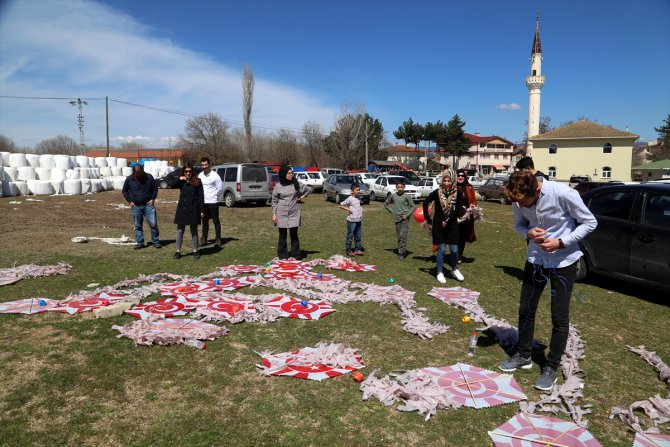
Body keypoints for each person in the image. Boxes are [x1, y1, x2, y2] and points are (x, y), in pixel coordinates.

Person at [498, 171, 597, 391]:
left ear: (537, 190)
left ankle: (551, 366)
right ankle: (523, 354)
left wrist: (561, 242)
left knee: (559, 317)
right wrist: (528, 233)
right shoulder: (518, 199)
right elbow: (519, 225)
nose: (521, 206)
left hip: (564, 263)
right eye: (518, 203)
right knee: (526, 309)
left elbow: (589, 222)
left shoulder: (563, 194)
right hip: (536, 260)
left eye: (524, 202)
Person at [422, 169, 465, 283]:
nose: (446, 183)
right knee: (441, 250)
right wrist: (427, 217)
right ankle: (439, 272)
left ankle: (454, 269)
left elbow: (458, 210)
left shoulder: (458, 193)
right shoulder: (437, 192)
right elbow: (425, 202)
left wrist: (448, 219)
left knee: (454, 250)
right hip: (439, 226)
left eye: (449, 181)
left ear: (453, 181)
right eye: (445, 180)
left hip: (452, 226)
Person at [271, 165, 311, 259]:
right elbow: (274, 201)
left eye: (291, 173)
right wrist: (274, 214)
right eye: (288, 173)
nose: (291, 175)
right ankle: (283, 256)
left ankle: (296, 255)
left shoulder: (296, 184)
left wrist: (302, 196)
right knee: (282, 236)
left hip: (294, 213)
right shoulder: (278, 186)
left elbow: (309, 189)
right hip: (281, 214)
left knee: (294, 235)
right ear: (283, 174)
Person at [122, 163, 161, 250]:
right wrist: (130, 201)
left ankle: (156, 241)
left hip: (148, 205)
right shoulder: (129, 179)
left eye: (140, 172)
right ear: (134, 172)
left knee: (153, 224)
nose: (139, 174)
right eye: (137, 173)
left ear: (143, 171)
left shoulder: (149, 177)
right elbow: (124, 191)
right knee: (137, 225)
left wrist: (153, 199)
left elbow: (155, 188)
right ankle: (140, 242)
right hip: (136, 206)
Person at [173, 162, 205, 260]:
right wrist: (179, 178)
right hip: (182, 208)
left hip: (194, 208)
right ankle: (178, 251)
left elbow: (201, 197)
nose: (188, 173)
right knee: (180, 231)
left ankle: (195, 251)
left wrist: (202, 210)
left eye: (190, 171)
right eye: (186, 171)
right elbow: (170, 183)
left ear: (192, 172)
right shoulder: (181, 182)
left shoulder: (197, 181)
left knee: (194, 231)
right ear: (184, 172)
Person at [384, 179, 415, 260]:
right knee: (399, 237)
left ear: (404, 187)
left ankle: (401, 252)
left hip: (405, 219)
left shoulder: (407, 196)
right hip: (397, 219)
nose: (400, 189)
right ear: (396, 187)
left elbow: (413, 206)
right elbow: (386, 204)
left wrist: (407, 215)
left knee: (403, 236)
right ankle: (402, 250)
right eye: (398, 187)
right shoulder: (393, 196)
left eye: (401, 187)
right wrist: (392, 211)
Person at [198, 157, 224, 247]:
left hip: (213, 202)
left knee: (215, 220)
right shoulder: (200, 175)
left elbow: (220, 188)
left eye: (206, 164)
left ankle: (218, 239)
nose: (204, 166)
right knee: (204, 221)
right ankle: (204, 238)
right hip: (203, 202)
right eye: (202, 165)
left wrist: (214, 195)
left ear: (209, 165)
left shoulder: (215, 175)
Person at [456, 169, 478, 263]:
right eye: (458, 175)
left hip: (466, 217)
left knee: (462, 237)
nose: (460, 177)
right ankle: (455, 253)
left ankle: (459, 256)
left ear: (465, 177)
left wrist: (473, 206)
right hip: (454, 216)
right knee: (454, 236)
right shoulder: (452, 187)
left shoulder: (469, 187)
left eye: (462, 176)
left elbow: (473, 201)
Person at [338, 183, 364, 257]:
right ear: (352, 191)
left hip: (358, 220)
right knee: (350, 236)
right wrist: (349, 209)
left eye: (359, 190)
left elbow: (358, 206)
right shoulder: (350, 198)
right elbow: (340, 205)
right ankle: (348, 251)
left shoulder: (359, 198)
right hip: (352, 221)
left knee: (358, 236)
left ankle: (358, 250)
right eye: (357, 190)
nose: (358, 191)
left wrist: (361, 210)